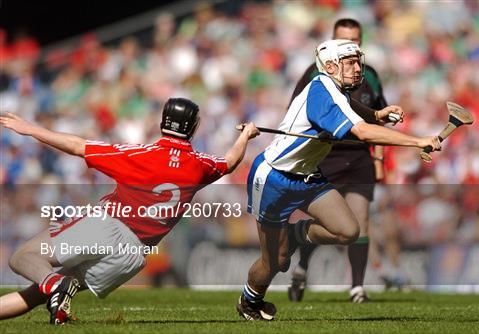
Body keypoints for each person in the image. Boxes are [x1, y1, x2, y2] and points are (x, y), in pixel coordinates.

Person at [0, 98, 259, 324]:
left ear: (163, 122)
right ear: (192, 127)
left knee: (22, 257)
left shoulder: (138, 155)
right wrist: (245, 134)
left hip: (106, 228)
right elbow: (230, 161)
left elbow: (78, 146)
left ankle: (56, 284)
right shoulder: (200, 166)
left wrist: (31, 129)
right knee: (37, 294)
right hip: (131, 257)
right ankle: (56, 287)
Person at [236, 39, 441, 321]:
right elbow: (364, 133)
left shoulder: (334, 88)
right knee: (276, 262)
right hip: (274, 178)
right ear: (330, 66)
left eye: (358, 62)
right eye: (350, 63)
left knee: (348, 231)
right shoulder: (322, 90)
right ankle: (249, 300)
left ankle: (298, 234)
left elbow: (350, 107)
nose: (358, 69)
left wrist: (376, 114)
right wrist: (417, 141)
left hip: (308, 177)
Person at [287, 18, 390, 303]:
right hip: (324, 158)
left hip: (358, 159)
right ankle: (302, 267)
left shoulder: (370, 76)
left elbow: (378, 119)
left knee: (361, 222)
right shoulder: (314, 76)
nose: (351, 46)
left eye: (355, 41)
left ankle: (357, 288)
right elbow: (296, 117)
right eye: (344, 40)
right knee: (326, 223)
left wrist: (379, 159)